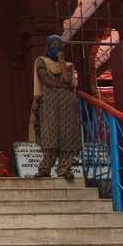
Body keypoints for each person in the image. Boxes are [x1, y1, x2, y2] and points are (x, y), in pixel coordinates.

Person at [34, 34, 81, 180]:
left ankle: (64, 169)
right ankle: (45, 169)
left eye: (59, 45)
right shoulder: (41, 61)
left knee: (68, 136)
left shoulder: (68, 65)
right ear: (47, 47)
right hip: (49, 103)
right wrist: (63, 86)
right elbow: (46, 80)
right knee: (50, 136)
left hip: (67, 104)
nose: (56, 47)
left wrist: (61, 62)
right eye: (53, 45)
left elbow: (68, 80)